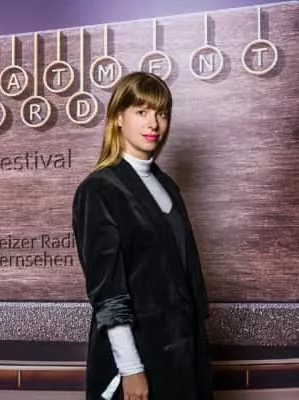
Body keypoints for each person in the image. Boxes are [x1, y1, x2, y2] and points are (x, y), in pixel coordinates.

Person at [72, 71, 213, 400]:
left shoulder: (168, 186)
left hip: (184, 356)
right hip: (138, 360)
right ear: (118, 117)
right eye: (141, 111)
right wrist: (131, 369)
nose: (154, 123)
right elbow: (108, 293)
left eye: (161, 113)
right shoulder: (99, 189)